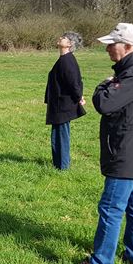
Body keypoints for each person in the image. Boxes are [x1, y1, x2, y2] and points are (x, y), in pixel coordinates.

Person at [78, 23, 133, 264]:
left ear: (129, 46)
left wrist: (103, 85)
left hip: (126, 153)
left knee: (111, 208)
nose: (108, 49)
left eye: (113, 44)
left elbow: (104, 103)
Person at [44, 31, 86, 170]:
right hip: (59, 104)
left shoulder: (67, 61)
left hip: (62, 105)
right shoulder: (64, 59)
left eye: (63, 38)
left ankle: (62, 166)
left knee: (61, 135)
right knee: (57, 135)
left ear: (69, 44)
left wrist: (79, 97)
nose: (60, 38)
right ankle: (59, 164)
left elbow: (74, 82)